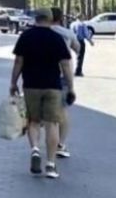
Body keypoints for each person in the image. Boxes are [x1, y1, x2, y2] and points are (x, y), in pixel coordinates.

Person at [11, 11, 75, 180]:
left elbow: (18, 61)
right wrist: (71, 87)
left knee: (33, 121)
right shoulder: (56, 38)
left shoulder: (26, 36)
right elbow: (65, 65)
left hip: (31, 85)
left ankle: (35, 149)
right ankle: (51, 165)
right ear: (51, 20)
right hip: (52, 86)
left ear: (36, 19)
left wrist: (13, 83)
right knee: (52, 124)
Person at [50, 8, 79, 159]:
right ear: (61, 18)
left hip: (41, 76)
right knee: (62, 111)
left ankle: (36, 144)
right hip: (62, 76)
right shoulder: (67, 33)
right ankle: (60, 144)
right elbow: (78, 48)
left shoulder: (41, 32)